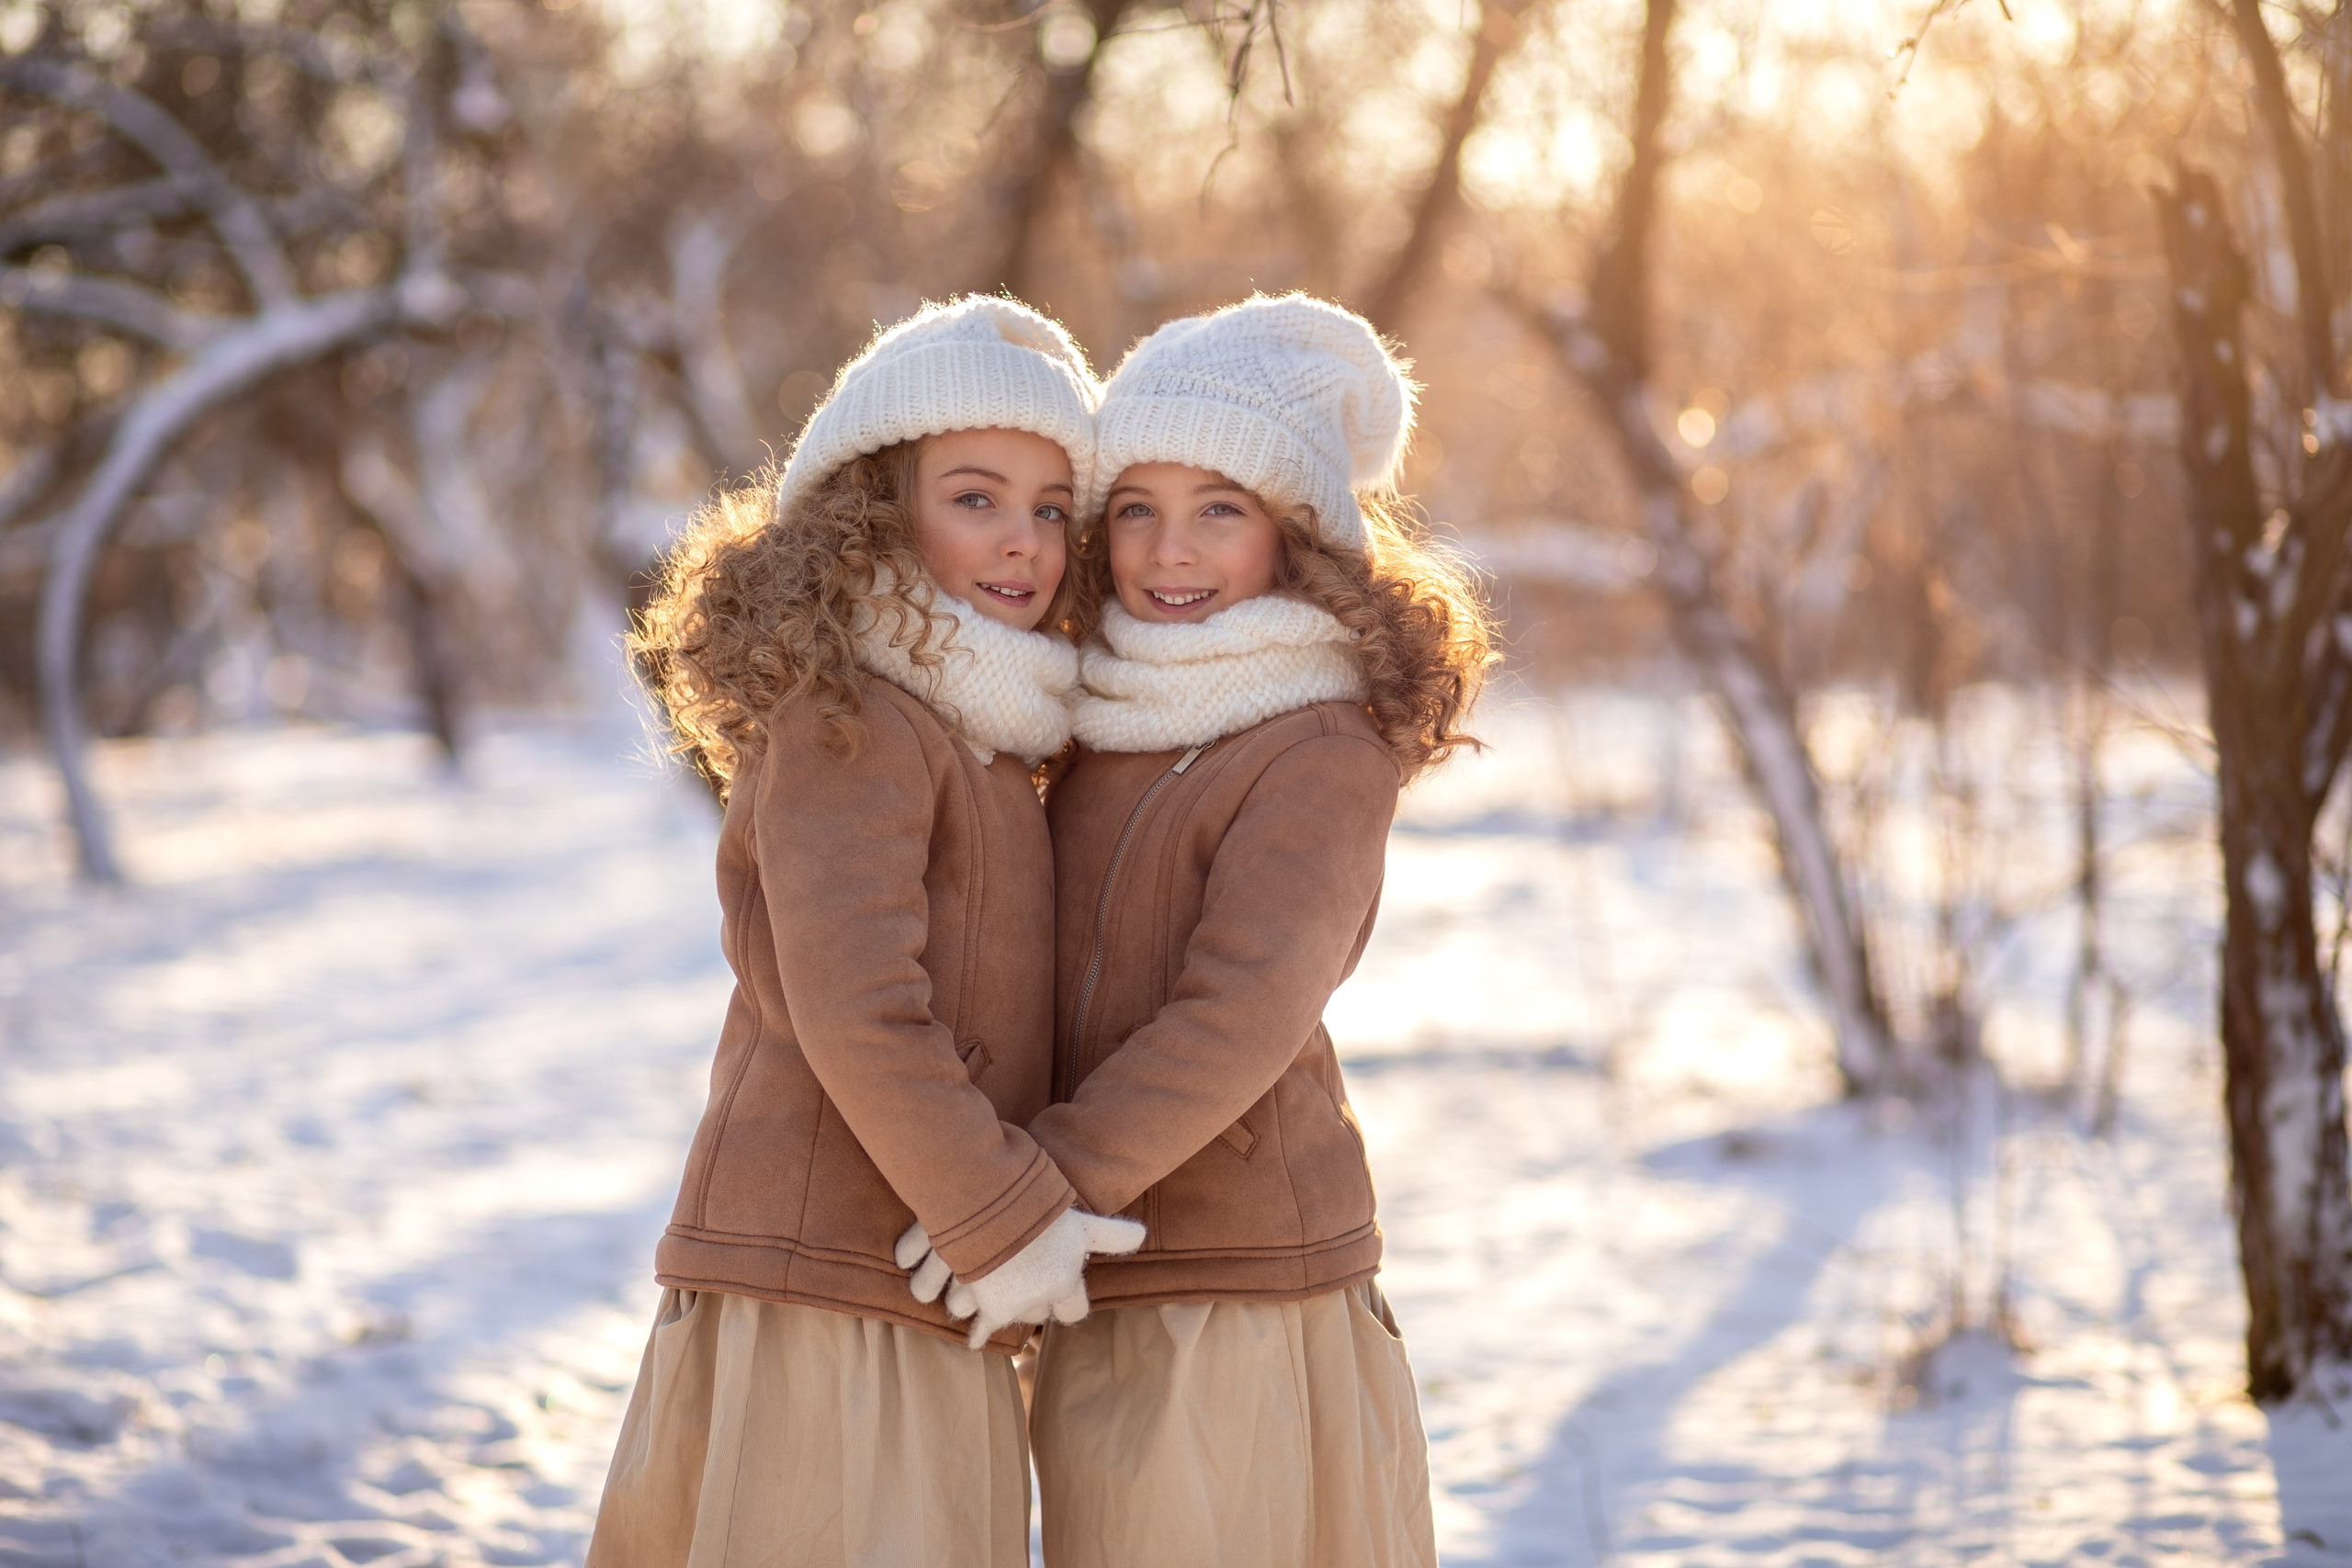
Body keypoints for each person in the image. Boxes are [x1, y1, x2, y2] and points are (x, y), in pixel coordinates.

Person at [906, 292, 1494, 1566]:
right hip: (1094, 1271)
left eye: (1217, 510)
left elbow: (1242, 1011)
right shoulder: (1100, 722)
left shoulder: (1316, 743)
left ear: (1293, 533)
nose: (1169, 553)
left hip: (1239, 1273)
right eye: (1135, 510)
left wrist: (1033, 1194)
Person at [589, 296, 1143, 1568]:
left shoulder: (977, 723)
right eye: (975, 496)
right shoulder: (855, 717)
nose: (1023, 542)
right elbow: (856, 1002)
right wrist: (1002, 1215)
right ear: (873, 505)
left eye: (1051, 506)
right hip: (826, 1274)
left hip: (912, 1272)